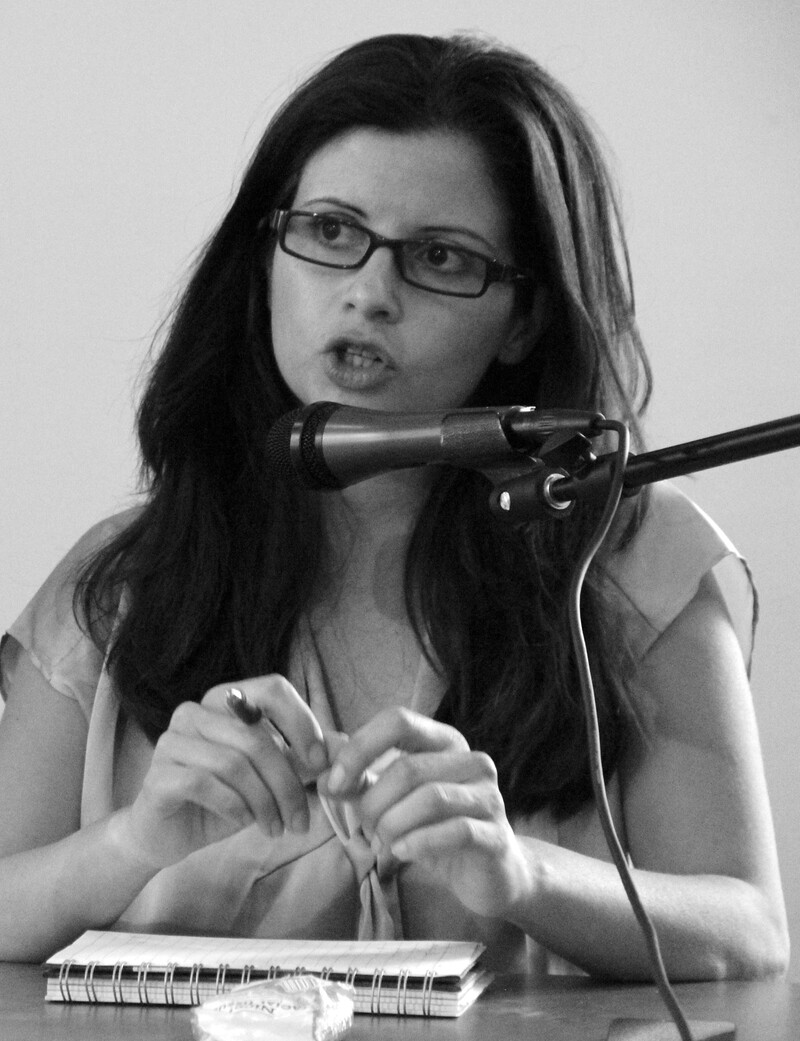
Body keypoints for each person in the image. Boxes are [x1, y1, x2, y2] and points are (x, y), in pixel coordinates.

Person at [0, 32, 789, 980]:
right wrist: (128, 844)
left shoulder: (632, 556)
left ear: (525, 317)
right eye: (332, 232)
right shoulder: (122, 577)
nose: (370, 294)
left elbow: (749, 930)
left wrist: (522, 874)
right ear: (265, 257)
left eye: (441, 259)